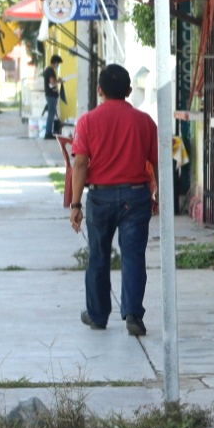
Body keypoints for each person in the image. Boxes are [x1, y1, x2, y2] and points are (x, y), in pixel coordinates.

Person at [68, 64, 158, 336]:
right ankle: (132, 314)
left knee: (98, 255)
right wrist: (160, 196)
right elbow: (157, 162)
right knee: (133, 255)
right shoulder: (145, 122)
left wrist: (75, 204)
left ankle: (97, 315)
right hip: (136, 195)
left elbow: (81, 163)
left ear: (99, 90)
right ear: (130, 91)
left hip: (100, 197)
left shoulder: (87, 122)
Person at [42, 54, 63, 139]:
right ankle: (48, 133)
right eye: (58, 64)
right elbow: (52, 82)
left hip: (50, 95)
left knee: (52, 113)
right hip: (51, 95)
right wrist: (59, 81)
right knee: (51, 114)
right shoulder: (50, 71)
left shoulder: (48, 70)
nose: (58, 66)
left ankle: (49, 132)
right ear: (55, 62)